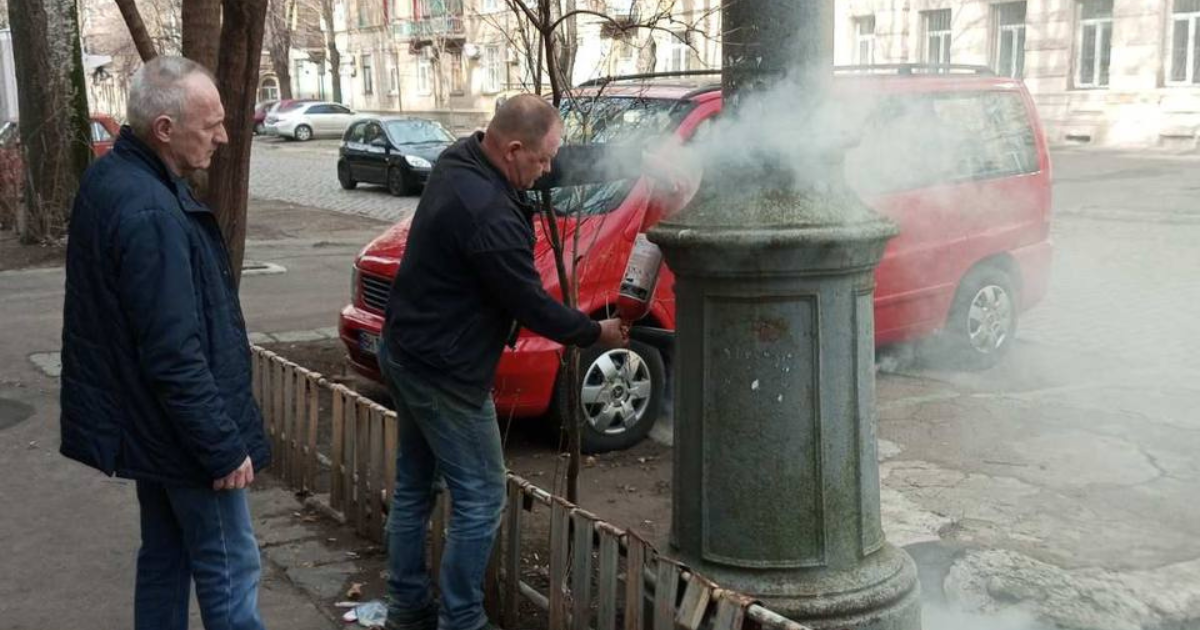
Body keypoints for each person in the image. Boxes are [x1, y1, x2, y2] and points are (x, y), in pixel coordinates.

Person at [380, 94, 627, 630]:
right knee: (482, 498)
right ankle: (462, 619)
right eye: (539, 162)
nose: (546, 173)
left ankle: (407, 609)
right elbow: (531, 304)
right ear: (512, 149)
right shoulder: (487, 213)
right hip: (444, 372)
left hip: (406, 348)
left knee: (414, 485)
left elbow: (556, 159)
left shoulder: (463, 157)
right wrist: (593, 331)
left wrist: (634, 159)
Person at [59, 56, 270, 630]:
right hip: (186, 437)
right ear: (165, 130)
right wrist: (222, 446)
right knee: (230, 570)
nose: (225, 137)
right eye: (212, 124)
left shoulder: (117, 178)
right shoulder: (149, 208)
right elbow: (173, 353)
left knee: (166, 558)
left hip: (153, 429)